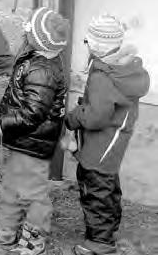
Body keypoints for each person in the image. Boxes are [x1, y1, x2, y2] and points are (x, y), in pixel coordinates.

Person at [0, 7, 69, 255]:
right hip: (22, 141)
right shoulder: (36, 59)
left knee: (33, 193)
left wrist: (5, 124)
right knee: (10, 187)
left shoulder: (44, 70)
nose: (24, 29)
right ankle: (7, 233)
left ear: (38, 38)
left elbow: (33, 113)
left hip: (33, 144)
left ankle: (34, 239)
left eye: (29, 27)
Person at [65, 14, 149, 255]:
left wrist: (74, 117)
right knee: (108, 188)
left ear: (96, 45)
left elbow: (95, 117)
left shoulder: (103, 76)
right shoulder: (122, 69)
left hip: (100, 146)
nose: (86, 45)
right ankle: (108, 230)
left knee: (96, 193)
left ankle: (99, 244)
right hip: (114, 143)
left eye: (87, 41)